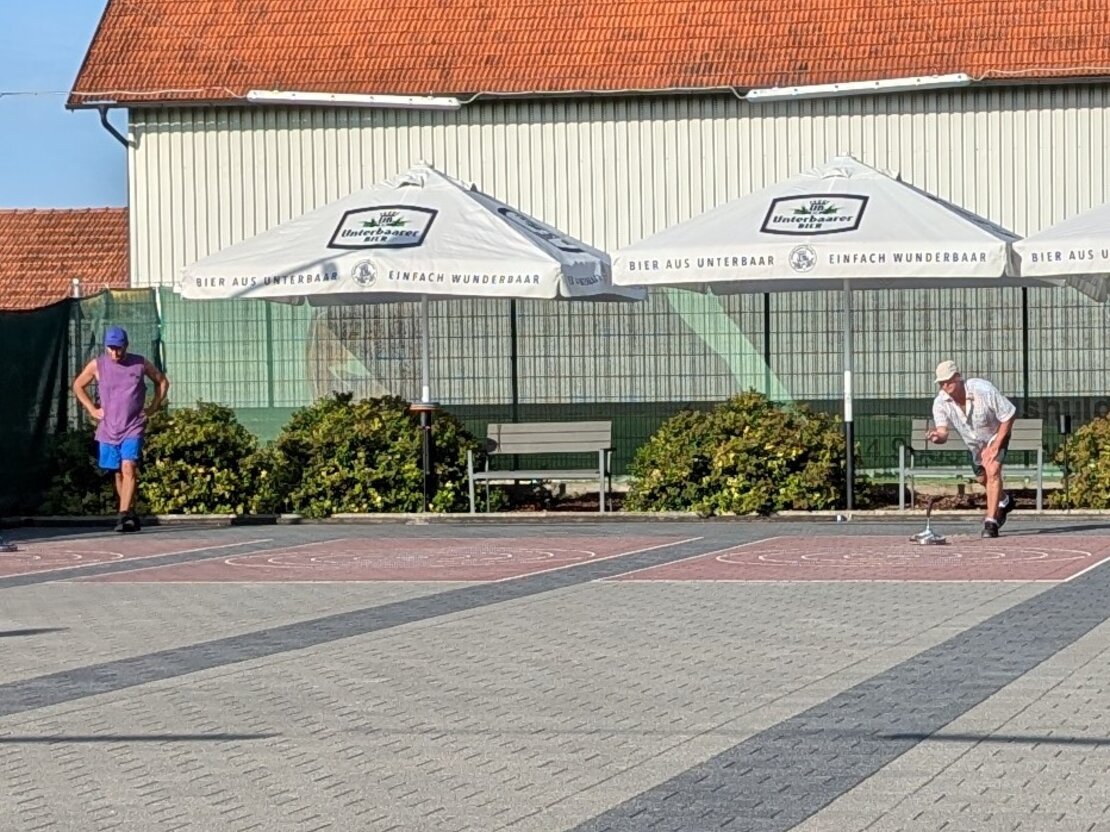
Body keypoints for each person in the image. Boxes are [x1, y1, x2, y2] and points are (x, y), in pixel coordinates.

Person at [72, 326, 170, 532]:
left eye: (119, 348)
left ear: (126, 346)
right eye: (111, 348)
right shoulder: (97, 365)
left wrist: (153, 407)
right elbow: (78, 385)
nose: (115, 353)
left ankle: (123, 514)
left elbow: (161, 382)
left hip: (133, 426)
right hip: (109, 428)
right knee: (118, 472)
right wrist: (92, 409)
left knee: (129, 467)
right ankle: (131, 514)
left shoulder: (140, 363)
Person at [925, 360, 1015, 538]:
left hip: (996, 434)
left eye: (949, 381)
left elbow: (1008, 415)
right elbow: (943, 432)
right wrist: (937, 437)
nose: (945, 386)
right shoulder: (940, 402)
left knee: (993, 470)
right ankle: (1005, 500)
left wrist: (995, 446)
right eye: (941, 383)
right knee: (982, 478)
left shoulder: (983, 389)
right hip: (974, 444)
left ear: (958, 378)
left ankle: (991, 522)